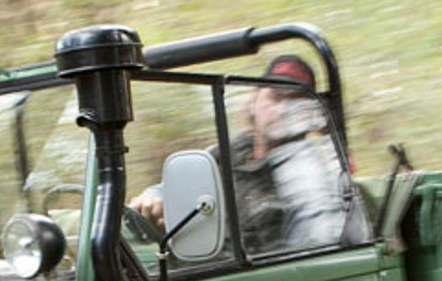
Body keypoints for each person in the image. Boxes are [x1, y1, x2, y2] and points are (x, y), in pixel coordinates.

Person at [130, 54, 349, 256]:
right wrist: (151, 202)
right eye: (275, 97)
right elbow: (170, 190)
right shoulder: (225, 155)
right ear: (254, 102)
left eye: (294, 103)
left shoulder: (308, 179)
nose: (282, 111)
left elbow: (306, 253)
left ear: (307, 114)